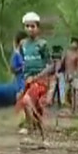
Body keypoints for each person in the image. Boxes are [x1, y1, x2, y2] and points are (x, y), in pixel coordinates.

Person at [16, 11, 54, 142]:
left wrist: (37, 77)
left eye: (33, 26)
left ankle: (31, 128)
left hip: (40, 80)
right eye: (27, 26)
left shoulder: (42, 44)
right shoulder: (22, 45)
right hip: (28, 79)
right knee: (30, 104)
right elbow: (23, 62)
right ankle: (40, 133)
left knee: (27, 100)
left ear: (38, 28)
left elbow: (50, 65)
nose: (30, 29)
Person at [63, 37, 78, 114]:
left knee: (75, 91)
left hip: (76, 75)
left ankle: (75, 109)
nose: (74, 44)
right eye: (73, 43)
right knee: (68, 92)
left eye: (75, 43)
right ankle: (70, 107)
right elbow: (63, 63)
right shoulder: (67, 53)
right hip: (68, 74)